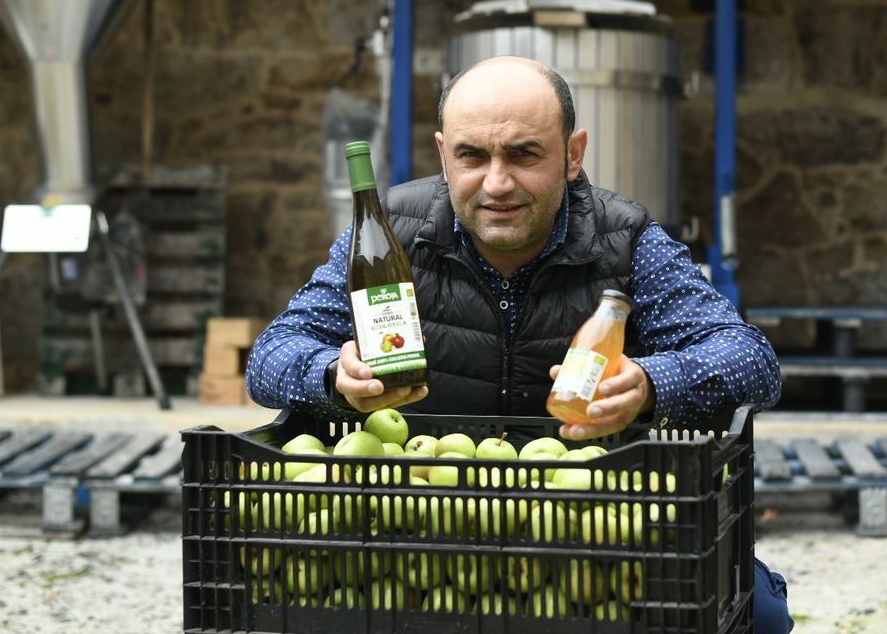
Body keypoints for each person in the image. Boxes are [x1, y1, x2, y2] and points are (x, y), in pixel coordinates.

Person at [247, 55, 792, 633]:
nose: (497, 182)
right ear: (443, 154)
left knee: (758, 613)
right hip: (419, 527)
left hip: (586, 534)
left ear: (573, 155)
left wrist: (652, 382)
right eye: (472, 155)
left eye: (524, 154)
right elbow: (271, 355)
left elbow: (750, 359)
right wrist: (333, 375)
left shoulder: (627, 240)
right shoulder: (389, 236)